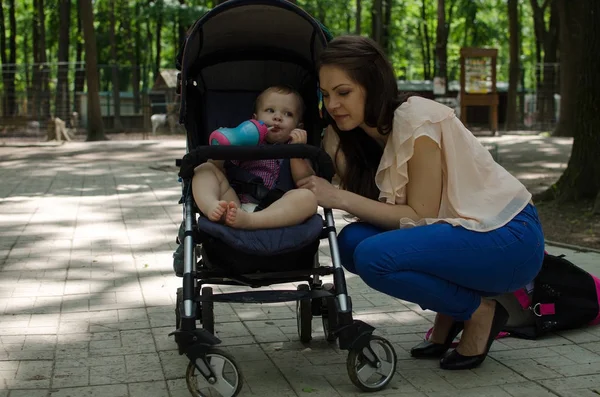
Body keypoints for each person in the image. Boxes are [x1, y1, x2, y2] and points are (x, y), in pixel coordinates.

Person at [296, 35, 545, 370]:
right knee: (352, 242)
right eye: (325, 95)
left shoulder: (417, 119)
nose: (332, 105)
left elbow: (420, 216)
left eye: (343, 92)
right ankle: (450, 315)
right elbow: (407, 221)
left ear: (373, 86)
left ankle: (479, 312)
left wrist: (338, 196)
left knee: (374, 255)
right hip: (466, 235)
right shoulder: (363, 137)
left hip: (510, 237)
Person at [192, 85, 317, 230]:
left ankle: (251, 220)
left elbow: (305, 181)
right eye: (270, 110)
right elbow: (221, 171)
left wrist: (297, 151)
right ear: (254, 120)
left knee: (308, 197)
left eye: (288, 114)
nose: (277, 117)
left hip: (278, 210)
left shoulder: (296, 147)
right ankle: (211, 205)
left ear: (298, 126)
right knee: (205, 169)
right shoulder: (244, 141)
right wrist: (220, 149)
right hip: (234, 206)